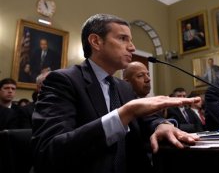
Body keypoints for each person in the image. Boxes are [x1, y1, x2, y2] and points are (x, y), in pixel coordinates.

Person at [31, 13, 200, 173]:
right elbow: (49, 150)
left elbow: (149, 119)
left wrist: (162, 125)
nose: (132, 48)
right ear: (96, 41)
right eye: (122, 38)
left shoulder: (123, 87)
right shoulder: (63, 81)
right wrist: (124, 114)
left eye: (131, 40)